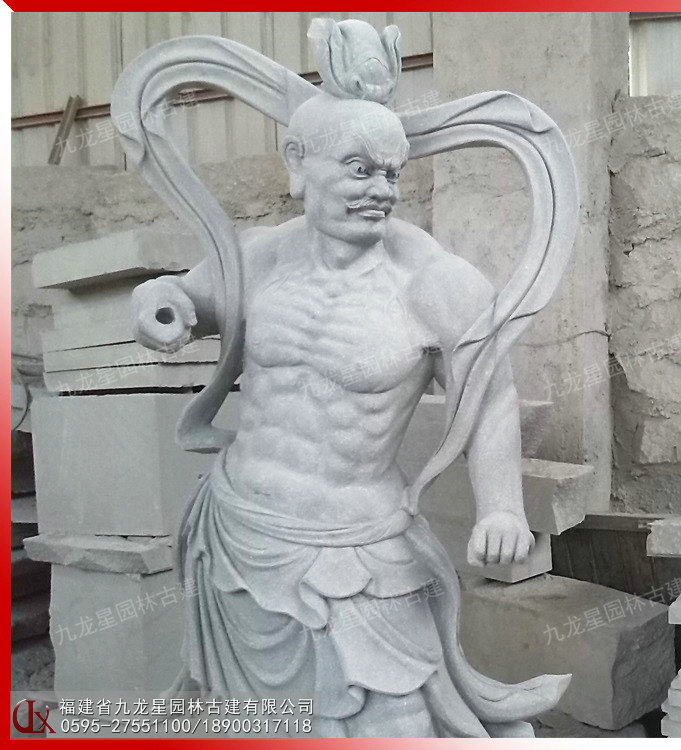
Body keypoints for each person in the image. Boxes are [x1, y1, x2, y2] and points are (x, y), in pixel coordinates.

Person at [130, 19, 569, 739]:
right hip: (240, 531)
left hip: (361, 547)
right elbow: (186, 297)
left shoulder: (434, 282)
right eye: (360, 170)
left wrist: (501, 508)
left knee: (394, 721)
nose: (381, 191)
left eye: (393, 174)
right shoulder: (262, 257)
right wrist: (160, 305)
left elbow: (492, 396)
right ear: (299, 164)